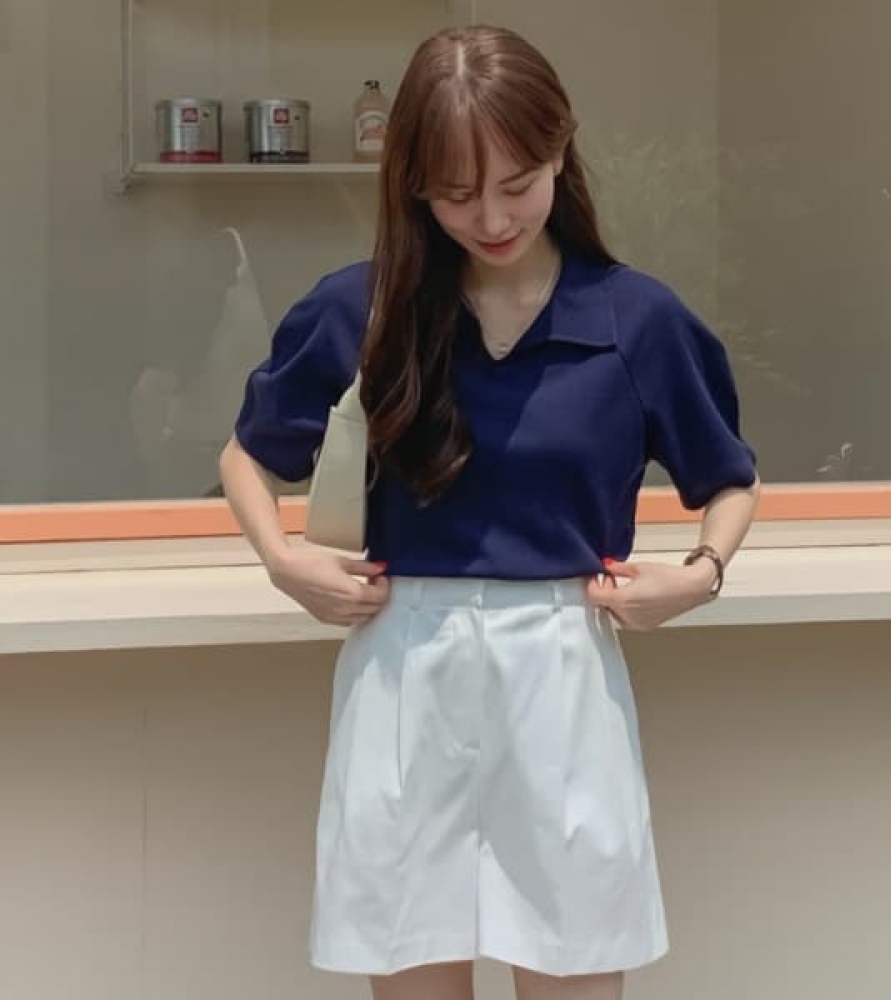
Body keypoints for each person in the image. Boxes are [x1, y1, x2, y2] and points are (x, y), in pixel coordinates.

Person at [219, 23, 760, 1000]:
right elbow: (248, 456)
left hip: (563, 670)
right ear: (414, 185)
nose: (492, 216)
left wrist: (699, 575)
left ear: (559, 153)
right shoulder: (363, 310)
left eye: (517, 183)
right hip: (401, 672)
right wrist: (283, 561)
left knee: (574, 969)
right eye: (457, 193)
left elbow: (729, 479)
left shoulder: (635, 320)